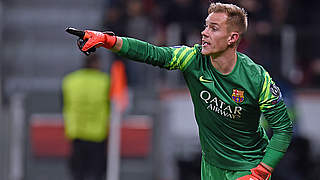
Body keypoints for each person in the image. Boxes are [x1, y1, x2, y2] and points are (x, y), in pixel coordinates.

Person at [66, 2, 293, 180]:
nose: (204, 33)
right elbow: (152, 53)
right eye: (205, 26)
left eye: (213, 28)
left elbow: (283, 129)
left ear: (233, 38)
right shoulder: (192, 59)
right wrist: (108, 40)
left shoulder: (256, 78)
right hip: (211, 166)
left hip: (248, 167)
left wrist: (261, 172)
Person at [62, 54, 110, 180]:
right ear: (96, 64)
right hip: (97, 134)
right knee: (97, 173)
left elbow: (64, 103)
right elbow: (111, 105)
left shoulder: (70, 81)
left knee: (77, 173)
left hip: (77, 132)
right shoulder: (105, 81)